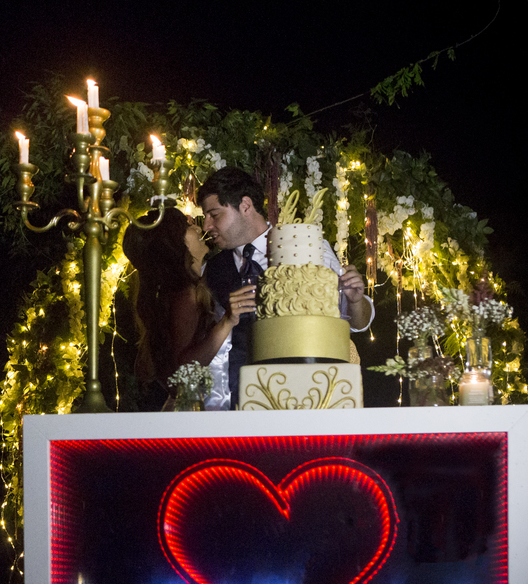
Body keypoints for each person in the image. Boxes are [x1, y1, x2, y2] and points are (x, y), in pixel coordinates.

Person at [197, 167, 373, 408]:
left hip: (307, 393)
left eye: (214, 214)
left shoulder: (304, 245)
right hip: (242, 403)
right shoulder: (212, 270)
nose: (207, 225)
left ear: (245, 206)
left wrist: (354, 300)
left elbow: (356, 323)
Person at [122, 206, 256, 410]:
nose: (195, 226)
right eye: (187, 226)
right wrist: (227, 322)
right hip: (198, 410)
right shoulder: (186, 296)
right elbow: (181, 373)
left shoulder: (190, 289)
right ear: (177, 244)